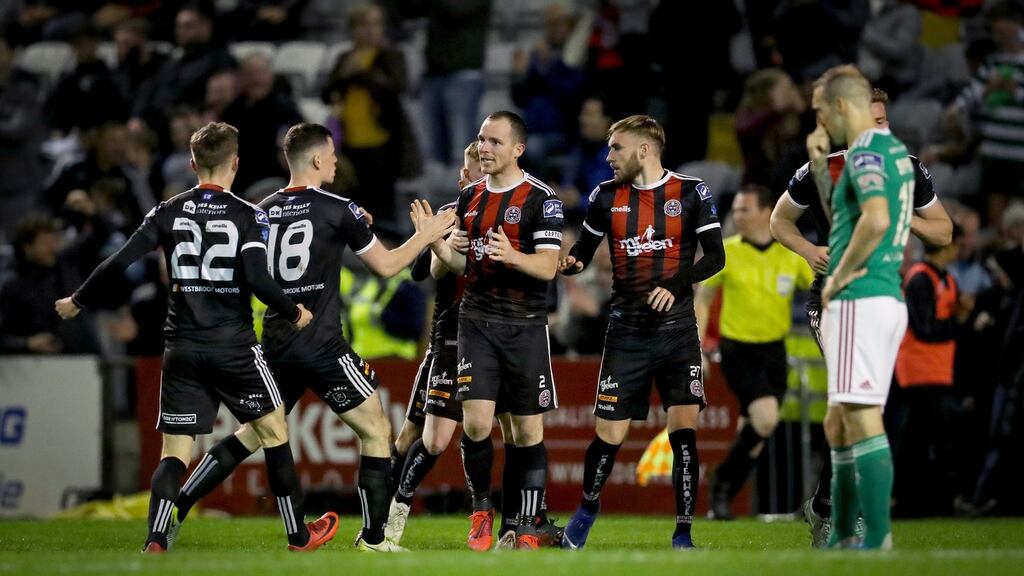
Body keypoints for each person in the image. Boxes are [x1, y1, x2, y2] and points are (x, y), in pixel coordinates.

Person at [166, 122, 456, 553]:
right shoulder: (339, 208)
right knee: (376, 430)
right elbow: (387, 266)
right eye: (333, 154)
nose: (337, 161)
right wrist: (427, 235)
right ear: (318, 159)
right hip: (321, 344)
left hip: (276, 341)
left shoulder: (259, 211)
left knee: (251, 435)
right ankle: (374, 538)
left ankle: (175, 511)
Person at [53, 122, 335, 554]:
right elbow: (259, 279)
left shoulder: (167, 211)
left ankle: (156, 538)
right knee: (275, 432)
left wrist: (77, 299)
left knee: (175, 451)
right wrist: (293, 310)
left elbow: (118, 262)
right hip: (235, 347)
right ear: (235, 163)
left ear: (192, 164)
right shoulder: (247, 214)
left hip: (181, 346)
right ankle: (299, 536)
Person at [769, 86, 952, 547]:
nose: (881, 128)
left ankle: (830, 508)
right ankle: (857, 523)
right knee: (856, 407)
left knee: (849, 411)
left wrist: (899, 217)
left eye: (884, 120)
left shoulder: (907, 170)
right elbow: (779, 221)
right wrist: (811, 250)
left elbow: (944, 232)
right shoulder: (821, 169)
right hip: (833, 300)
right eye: (872, 120)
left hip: (882, 296)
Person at [557, 115, 726, 550]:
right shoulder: (605, 196)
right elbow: (584, 249)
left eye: (616, 148)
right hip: (626, 332)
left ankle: (683, 532)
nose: (608, 156)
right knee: (609, 435)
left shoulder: (690, 192)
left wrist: (674, 284)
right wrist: (572, 262)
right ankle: (588, 509)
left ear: (644, 150)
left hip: (677, 334)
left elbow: (716, 257)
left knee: (683, 430)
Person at [428, 111, 564, 551]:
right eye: (481, 139)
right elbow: (458, 265)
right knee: (477, 422)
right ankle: (481, 511)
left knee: (526, 431)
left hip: (524, 326)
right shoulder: (469, 198)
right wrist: (440, 245)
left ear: (518, 149)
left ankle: (527, 524)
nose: (484, 148)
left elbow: (546, 266)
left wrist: (513, 256)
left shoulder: (542, 199)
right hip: (477, 322)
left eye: (495, 142)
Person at [808, 64, 914, 550]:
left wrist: (841, 275)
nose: (817, 123)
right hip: (885, 295)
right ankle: (842, 538)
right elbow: (849, 218)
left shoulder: (867, 151)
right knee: (840, 418)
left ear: (841, 106)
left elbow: (874, 220)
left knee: (863, 417)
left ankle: (875, 537)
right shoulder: (897, 152)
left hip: (860, 296)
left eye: (819, 112)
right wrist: (819, 175)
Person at [695, 183, 814, 520]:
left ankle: (723, 498)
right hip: (738, 350)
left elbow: (821, 288)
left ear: (766, 211)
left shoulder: (791, 255)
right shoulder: (726, 251)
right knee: (766, 419)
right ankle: (721, 483)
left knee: (756, 433)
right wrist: (698, 346)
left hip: (775, 351)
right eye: (735, 210)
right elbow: (702, 301)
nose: (737, 216)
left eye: (744, 209)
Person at [893, 224, 967, 517]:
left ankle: (918, 500)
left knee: (921, 437)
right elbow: (924, 329)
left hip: (937, 370)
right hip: (919, 370)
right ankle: (912, 500)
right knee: (921, 439)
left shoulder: (944, 278)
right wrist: (958, 321)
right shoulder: (921, 278)